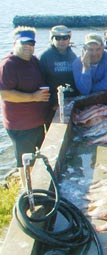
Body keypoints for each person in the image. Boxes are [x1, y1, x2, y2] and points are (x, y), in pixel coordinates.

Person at [0, 27, 50, 187]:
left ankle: (38, 184)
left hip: (36, 123)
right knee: (25, 162)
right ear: (15, 43)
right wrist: (33, 97)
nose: (28, 46)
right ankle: (28, 192)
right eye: (24, 43)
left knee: (37, 156)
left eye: (31, 43)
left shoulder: (33, 60)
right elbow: (5, 94)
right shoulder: (8, 65)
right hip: (20, 126)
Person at [39, 25, 78, 127]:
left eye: (65, 38)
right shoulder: (45, 57)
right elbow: (41, 83)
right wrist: (52, 104)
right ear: (52, 39)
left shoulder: (73, 55)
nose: (62, 41)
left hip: (71, 101)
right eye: (58, 38)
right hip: (53, 104)